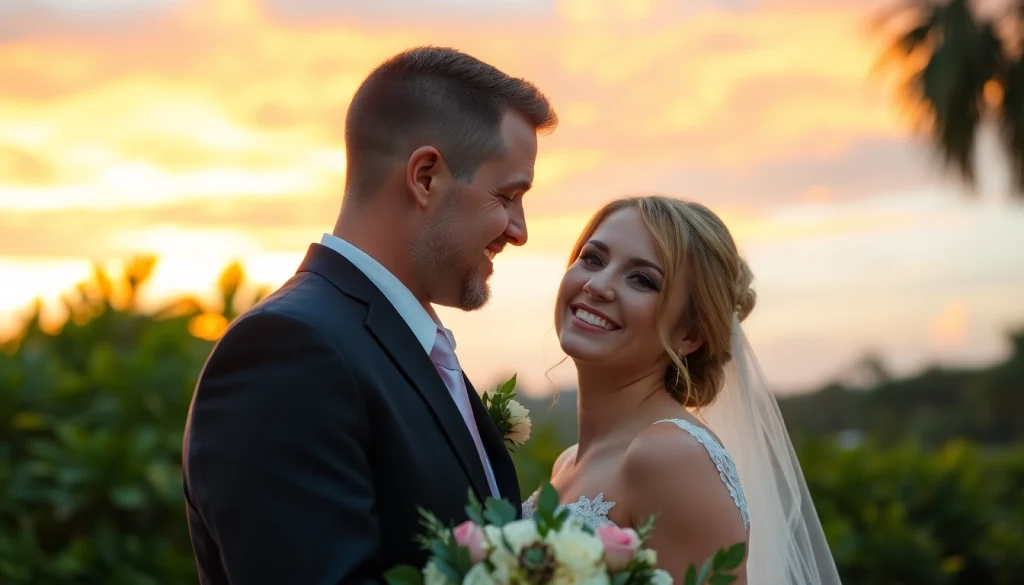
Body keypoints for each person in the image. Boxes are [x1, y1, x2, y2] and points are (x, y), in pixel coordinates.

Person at [182, 46, 557, 585]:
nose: (519, 230)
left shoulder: (399, 346)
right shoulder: (288, 352)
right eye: (508, 195)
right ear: (426, 176)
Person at [524, 196, 842, 585]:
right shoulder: (568, 463)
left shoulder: (670, 457)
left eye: (642, 279)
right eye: (593, 258)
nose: (598, 285)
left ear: (690, 335)